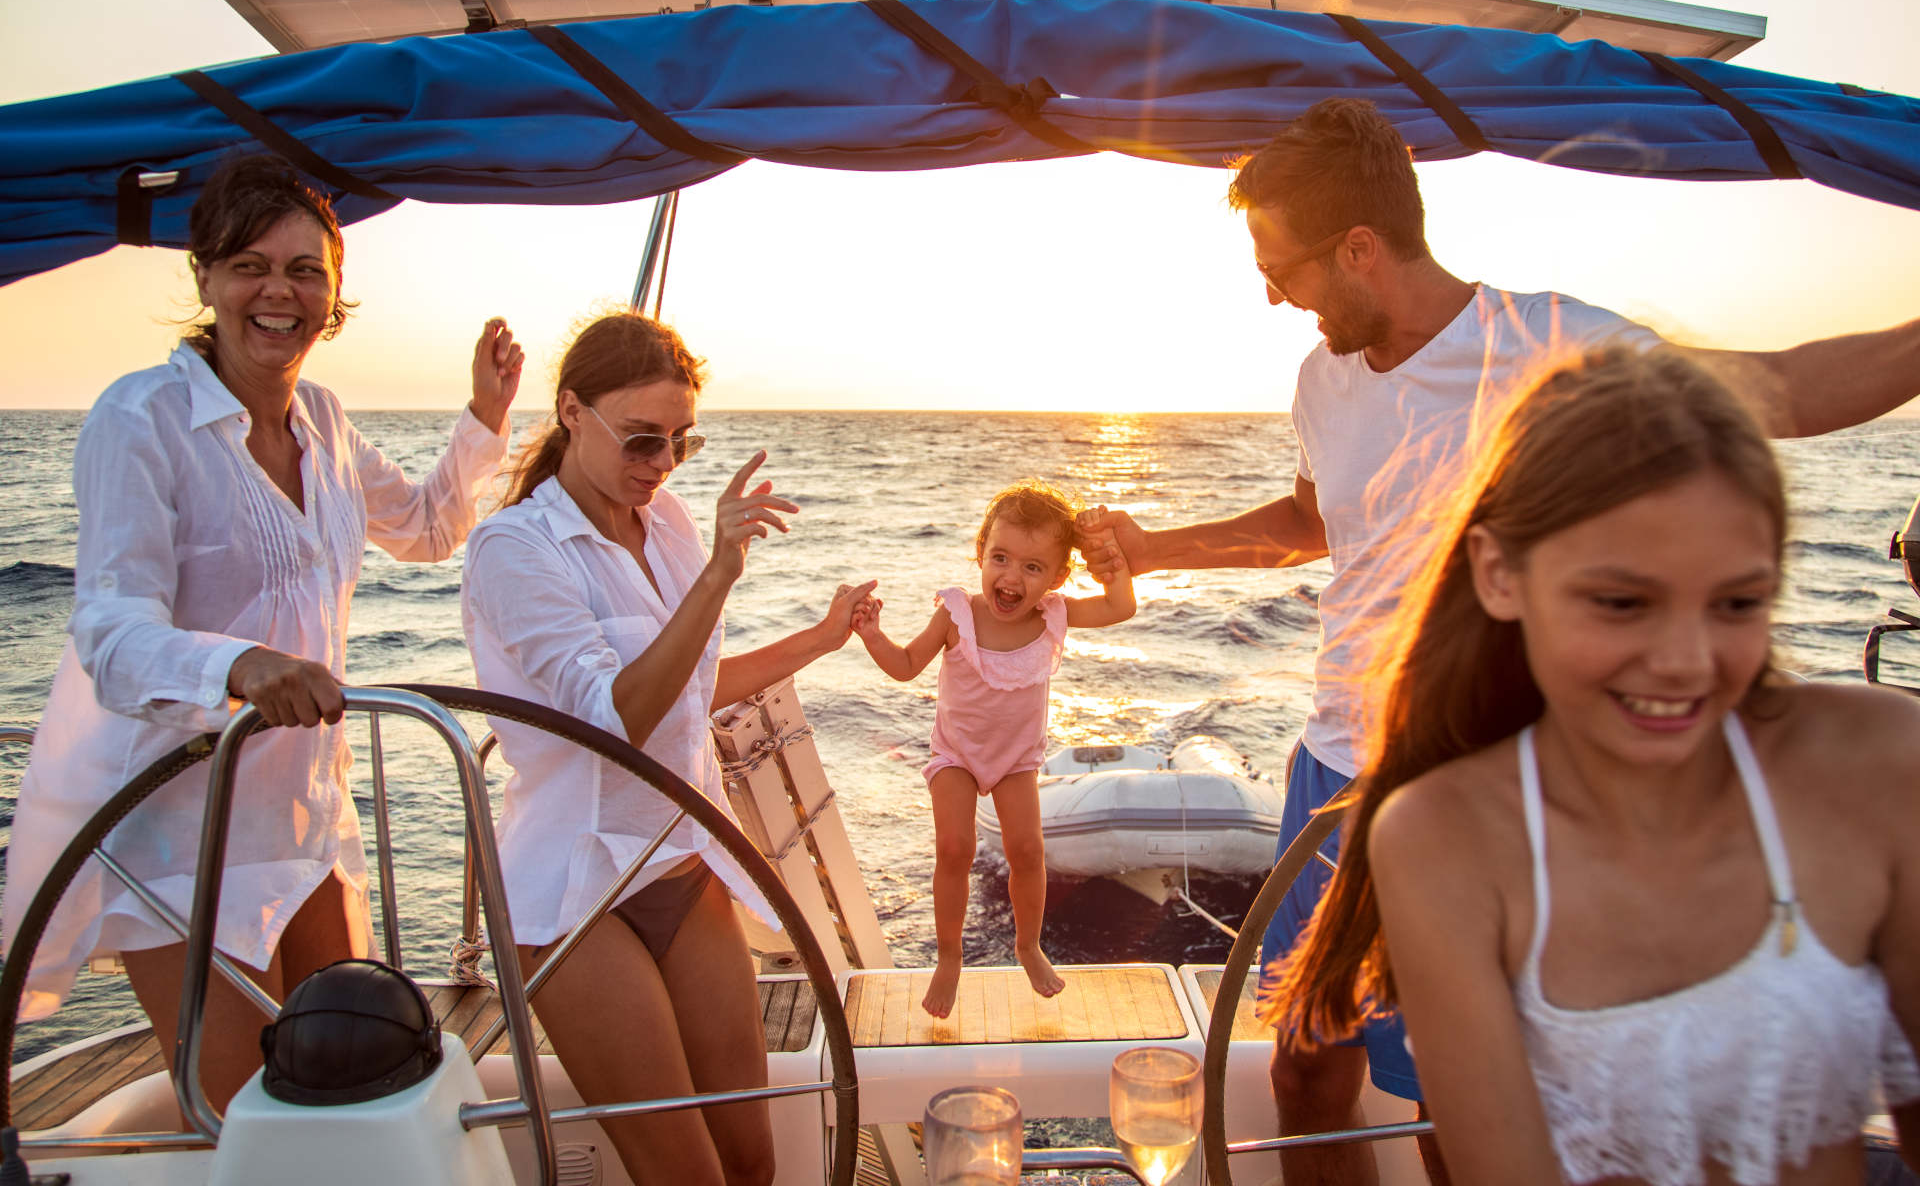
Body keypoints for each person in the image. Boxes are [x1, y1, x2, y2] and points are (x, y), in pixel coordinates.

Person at [1077, 96, 1920, 1184]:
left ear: (1361, 248)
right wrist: (1152, 549)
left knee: (1445, 1097)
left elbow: (1783, 389)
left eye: (1280, 263)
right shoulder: (1322, 380)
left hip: (1468, 771)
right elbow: (1307, 524)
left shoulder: (1549, 344)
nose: (1271, 290)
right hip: (1329, 766)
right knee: (1303, 1072)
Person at [1266, 343, 1920, 1184]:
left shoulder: (1876, 761)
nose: (1686, 661)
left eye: (1737, 602)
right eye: (1622, 602)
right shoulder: (1444, 837)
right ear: (1500, 575)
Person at [0, 153, 521, 1113]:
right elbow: (111, 632)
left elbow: (424, 528)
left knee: (356, 1093)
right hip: (176, 831)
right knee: (253, 1130)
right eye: (250, 264)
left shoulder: (322, 418)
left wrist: (484, 418)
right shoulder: (138, 417)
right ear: (203, 277)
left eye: (305, 270)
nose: (278, 291)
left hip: (308, 817)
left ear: (333, 294)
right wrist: (241, 665)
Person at [460, 312, 874, 1186]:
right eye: (642, 440)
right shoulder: (513, 549)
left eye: (680, 444)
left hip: (683, 861)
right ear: (572, 412)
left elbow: (690, 689)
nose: (660, 465)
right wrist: (722, 575)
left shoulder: (673, 522)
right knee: (682, 1175)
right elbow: (617, 720)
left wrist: (821, 638)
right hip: (576, 891)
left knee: (750, 1163)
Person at [850, 480, 1136, 1018]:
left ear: (1057, 577)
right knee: (954, 850)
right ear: (980, 552)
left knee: (1028, 852)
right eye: (1000, 557)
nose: (1011, 576)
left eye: (1033, 567)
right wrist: (872, 636)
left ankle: (1027, 946)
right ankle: (951, 957)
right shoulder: (956, 612)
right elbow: (906, 666)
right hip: (956, 753)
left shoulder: (1056, 613)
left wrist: (1112, 559)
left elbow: (1120, 609)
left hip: (1015, 761)